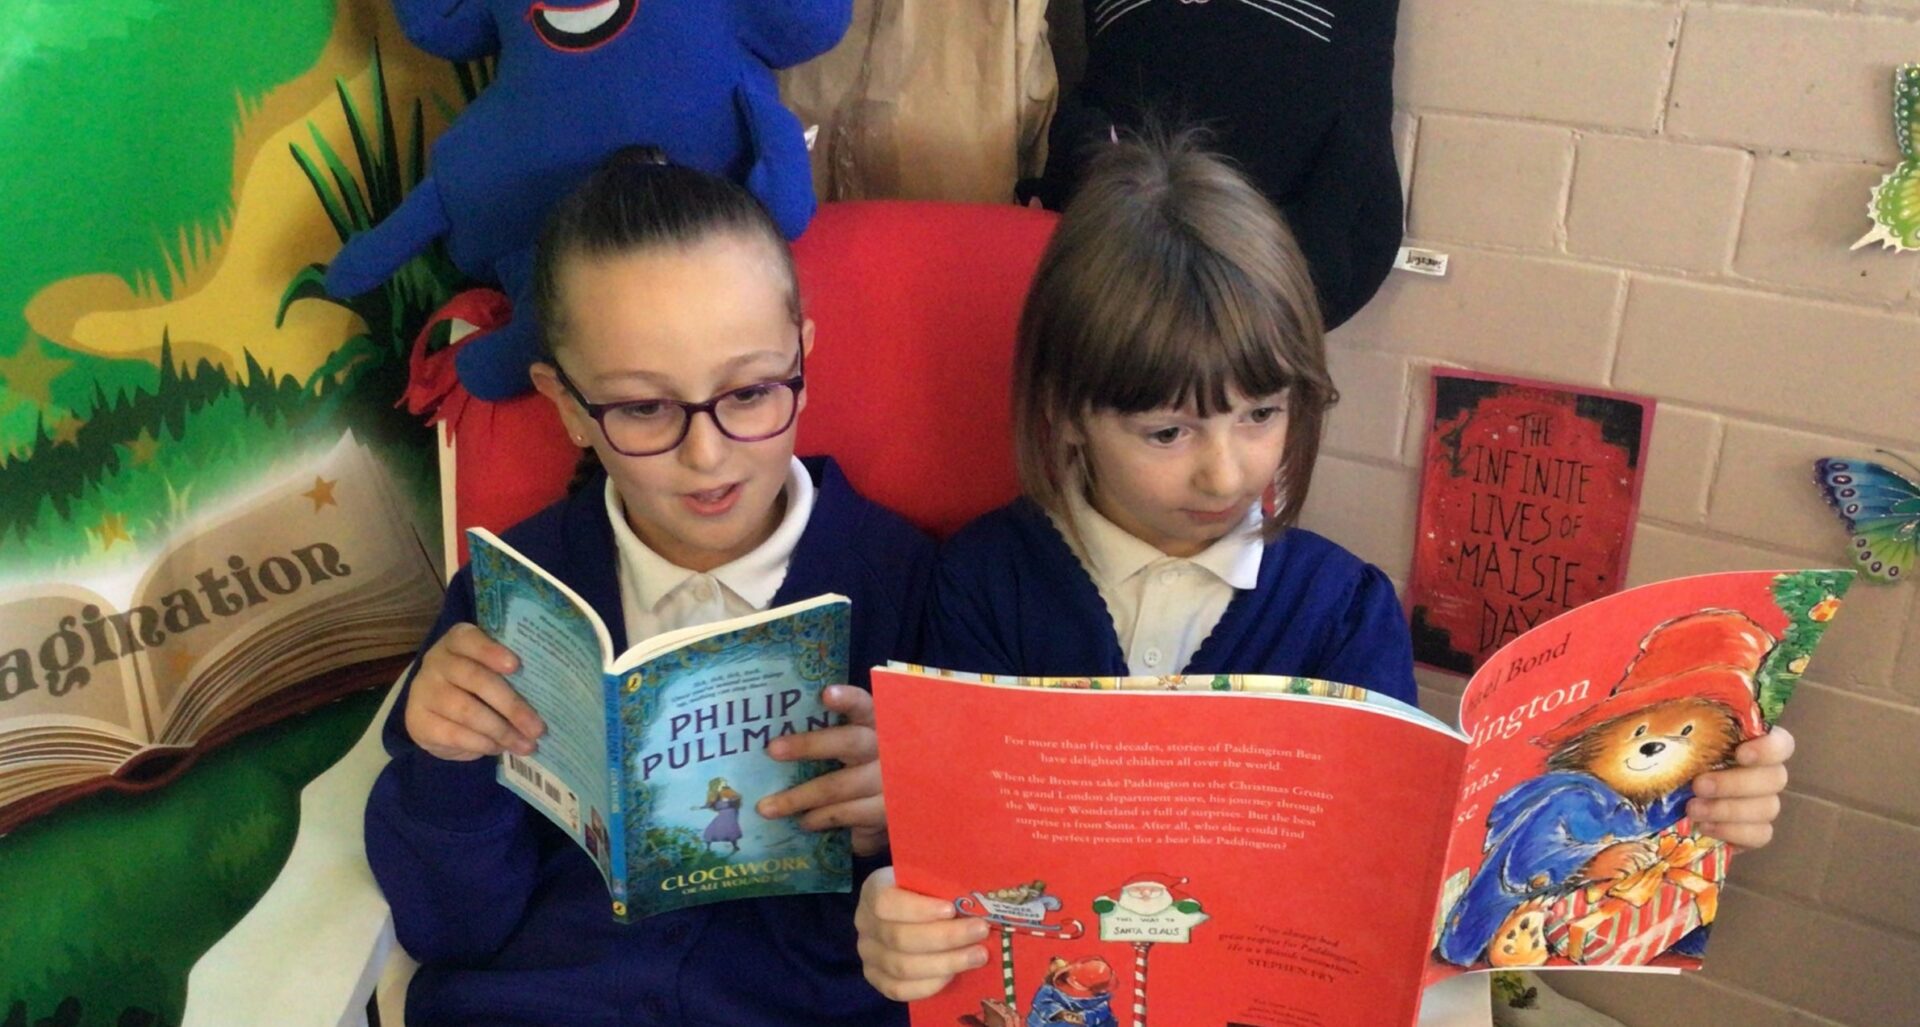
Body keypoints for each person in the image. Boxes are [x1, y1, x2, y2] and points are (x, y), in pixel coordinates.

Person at [853, 131, 1793, 1003]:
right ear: (1064, 412)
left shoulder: (1341, 607)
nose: (1227, 472)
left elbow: (1400, 875)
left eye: (1261, 414)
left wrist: (1691, 808)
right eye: (1168, 431)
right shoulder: (981, 581)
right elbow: (944, 858)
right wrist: (897, 910)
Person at [364, 147, 932, 1026]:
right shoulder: (511, 598)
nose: (707, 453)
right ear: (566, 405)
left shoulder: (914, 584)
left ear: (803, 362)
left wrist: (905, 819)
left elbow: (968, 925)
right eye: (643, 407)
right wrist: (446, 767)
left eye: (750, 392)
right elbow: (449, 927)